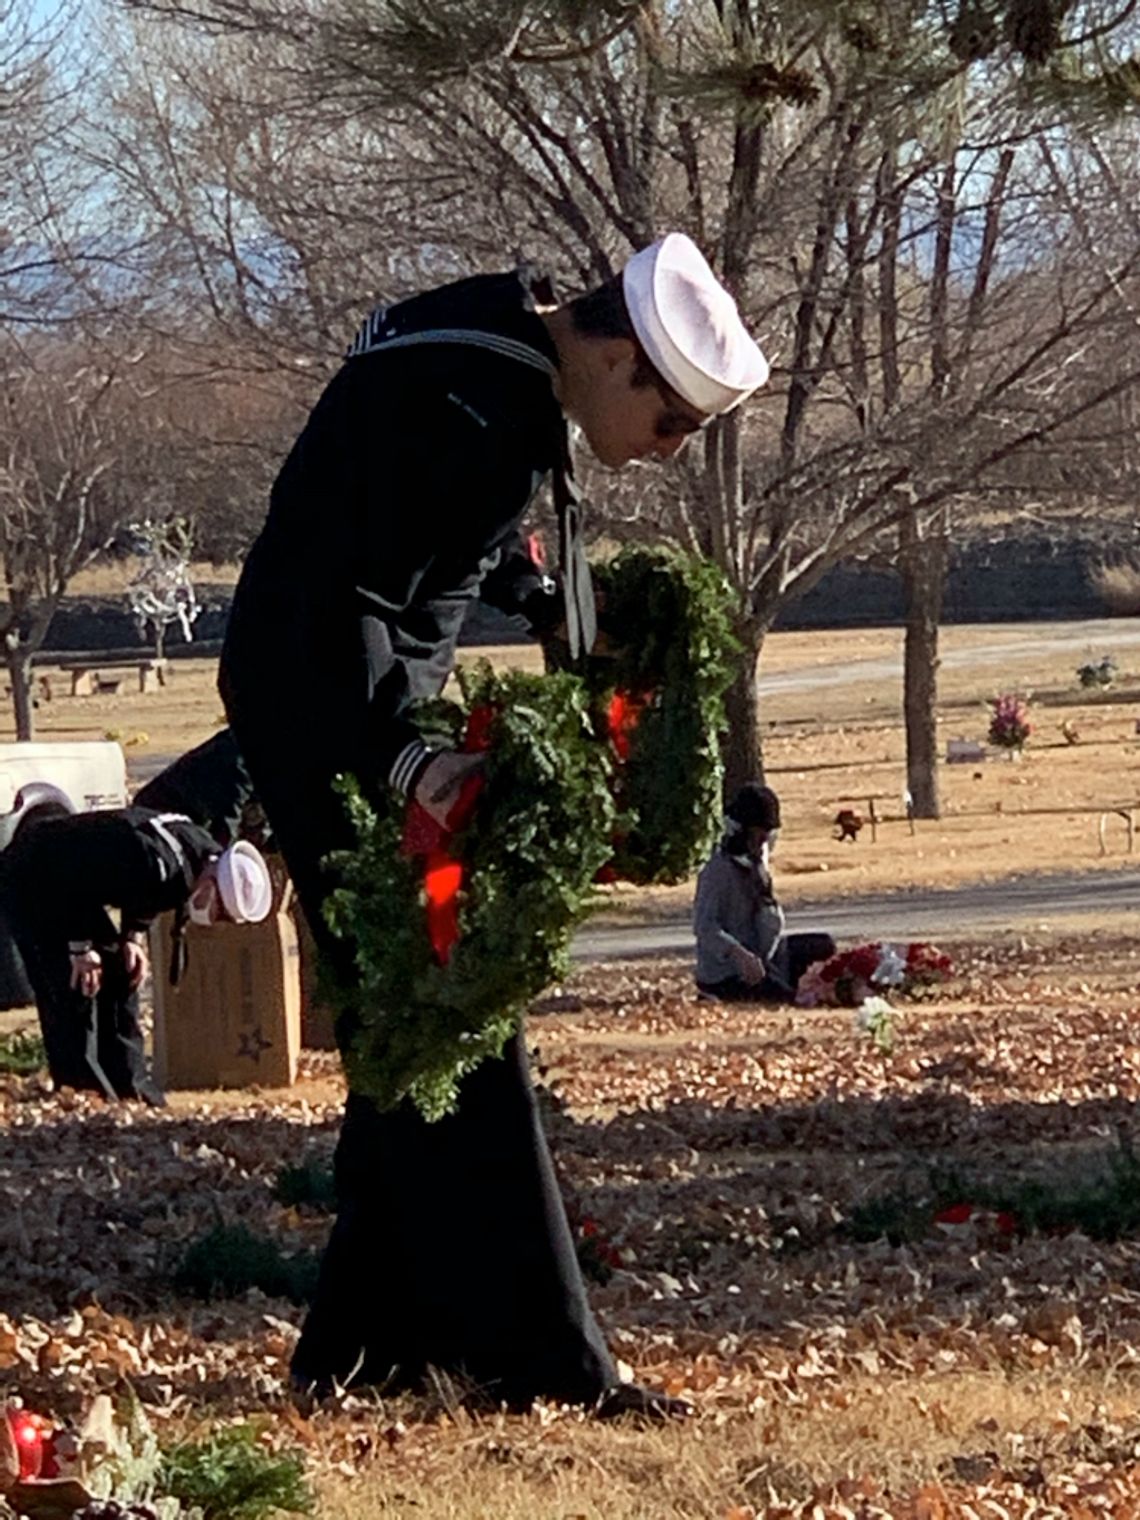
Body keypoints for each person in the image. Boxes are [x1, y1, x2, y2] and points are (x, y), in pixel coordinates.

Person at [219, 231, 769, 1417]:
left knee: (404, 1029)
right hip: (322, 706)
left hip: (340, 696)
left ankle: (363, 1346)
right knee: (460, 1008)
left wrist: (543, 600)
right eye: (671, 423)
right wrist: (408, 757)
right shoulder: (474, 411)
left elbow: (439, 538)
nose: (668, 453)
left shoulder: (500, 352)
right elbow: (338, 593)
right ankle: (547, 1360)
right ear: (621, 357)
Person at [0, 782, 273, 1104]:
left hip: (79, 887)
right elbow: (75, 881)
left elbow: (141, 893)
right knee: (74, 987)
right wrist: (81, 950)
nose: (214, 918)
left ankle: (132, 1089)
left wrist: (131, 937)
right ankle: (82, 1092)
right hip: (35, 874)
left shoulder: (197, 854)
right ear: (213, 880)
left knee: (121, 978)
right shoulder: (156, 862)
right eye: (220, 911)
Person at [694, 783, 836, 1003]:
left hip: (767, 957)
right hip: (727, 973)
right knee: (789, 998)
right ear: (742, 830)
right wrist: (738, 953)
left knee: (823, 945)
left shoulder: (757, 865)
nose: (763, 840)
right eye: (759, 833)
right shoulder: (717, 869)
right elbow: (704, 927)